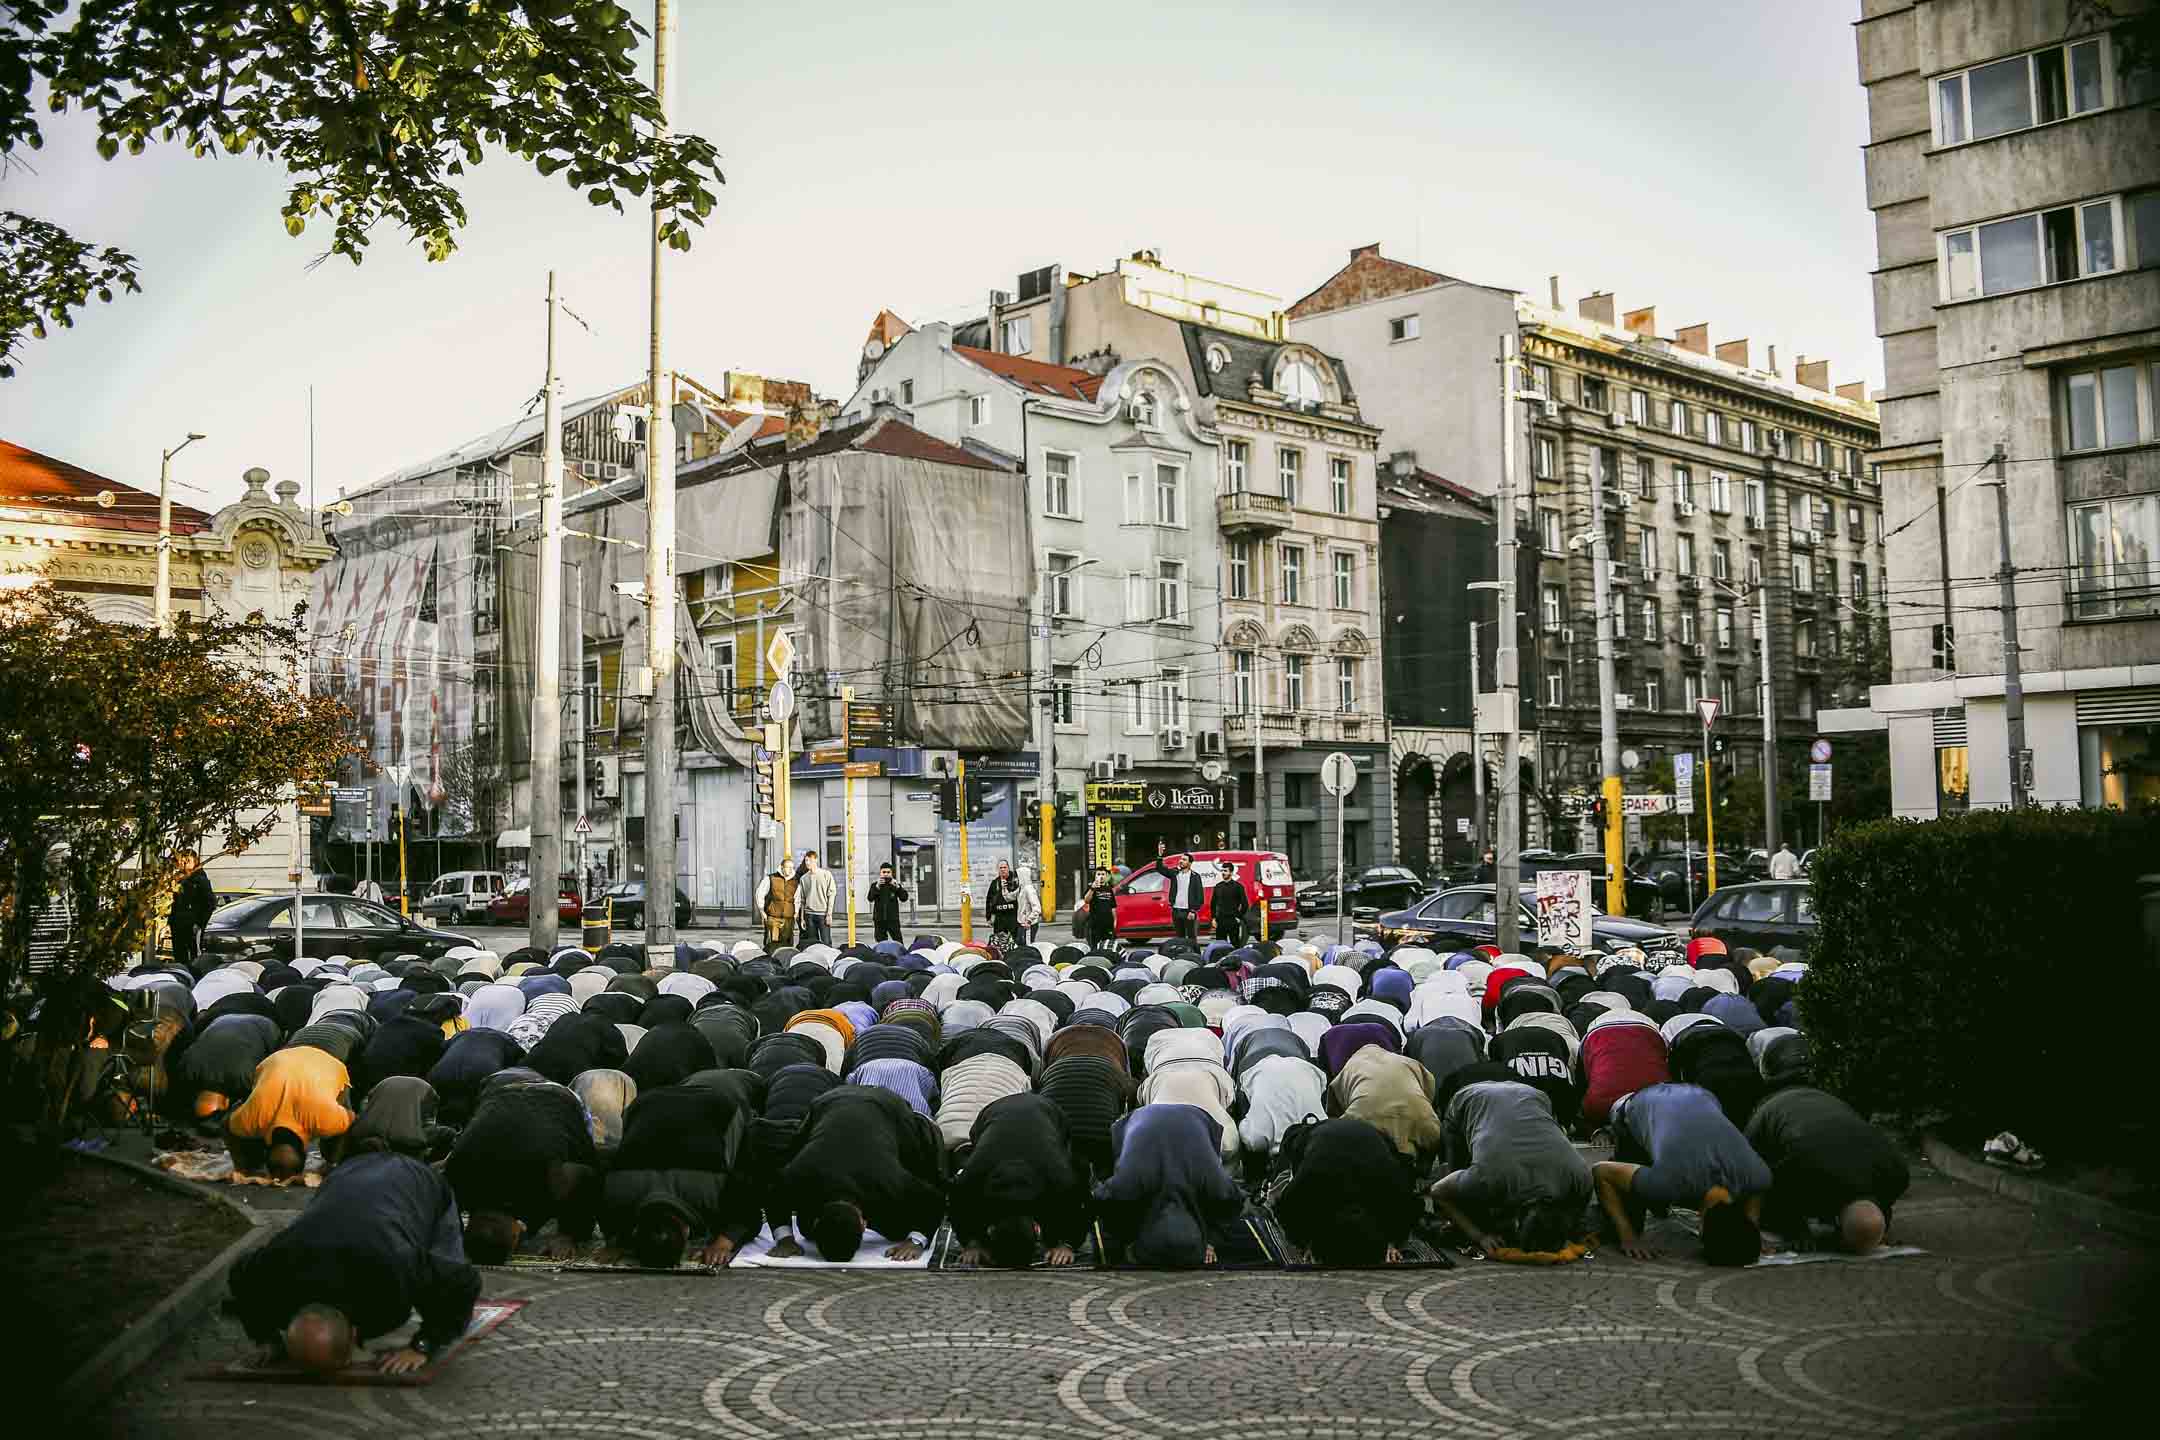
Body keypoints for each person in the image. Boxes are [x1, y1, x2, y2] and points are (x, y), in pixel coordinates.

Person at [225, 1149, 479, 1376]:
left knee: (444, 1272)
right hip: (349, 1174)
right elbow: (239, 1274)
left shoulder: (394, 1270)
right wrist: (266, 1339)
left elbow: (464, 1283)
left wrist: (424, 1346)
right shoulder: (276, 1268)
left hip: (422, 1184)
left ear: (355, 1334)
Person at [1594, 1082, 1772, 1266]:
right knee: (1631, 1217)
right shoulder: (1670, 1182)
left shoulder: (1757, 1175)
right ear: (1700, 1228)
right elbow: (1600, 1171)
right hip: (1631, 1105)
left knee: (1656, 1188)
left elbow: (1757, 1192)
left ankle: (1651, 1189)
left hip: (1698, 1092)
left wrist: (1752, 1233)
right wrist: (1627, 1235)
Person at [763, 1084, 947, 1262]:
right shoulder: (802, 1172)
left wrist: (915, 1241)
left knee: (897, 1229)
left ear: (863, 1224)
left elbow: (934, 1198)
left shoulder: (887, 1176)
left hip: (888, 1107)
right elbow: (774, 1190)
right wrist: (785, 1239)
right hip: (830, 1101)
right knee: (806, 1228)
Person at [598, 1074, 765, 1269]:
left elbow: (750, 1211)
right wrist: (614, 1242)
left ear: (686, 1231)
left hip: (720, 1106)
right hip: (647, 1103)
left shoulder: (711, 1192)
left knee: (746, 1163)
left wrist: (723, 1242)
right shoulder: (616, 1195)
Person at [443, 1077, 601, 1263]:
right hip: (500, 1088)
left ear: (516, 1236)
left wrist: (569, 1234)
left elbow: (589, 1176)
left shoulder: (549, 1179)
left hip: (558, 1098)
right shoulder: (455, 1176)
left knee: (583, 1153)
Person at [1428, 1079, 1592, 1257]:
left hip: (1533, 1095)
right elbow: (1438, 1191)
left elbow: (1575, 1218)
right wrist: (1478, 1235)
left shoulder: (1580, 1178)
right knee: (1463, 1202)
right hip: (1470, 1098)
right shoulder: (1489, 1177)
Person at [1743, 1085, 1909, 1254]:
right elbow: (1764, 1184)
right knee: (1751, 1182)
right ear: (1839, 1227)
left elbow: (1885, 1207)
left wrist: (1877, 1231)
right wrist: (1794, 1233)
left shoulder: (1896, 1175)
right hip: (1770, 1110)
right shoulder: (1804, 1170)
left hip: (1822, 1101)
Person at [1092, 1103, 1246, 1267]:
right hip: (1186, 1120)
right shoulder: (1132, 1180)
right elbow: (1233, 1200)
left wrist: (1212, 1241)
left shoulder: (1130, 1182)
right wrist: (1212, 1241)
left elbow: (1103, 1199)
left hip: (1191, 1120)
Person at [949, 1093, 1089, 1267]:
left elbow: (1083, 1200)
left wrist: (1067, 1244)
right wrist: (973, 1242)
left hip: (1049, 1113)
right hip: (990, 1115)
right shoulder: (975, 1175)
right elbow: (957, 1202)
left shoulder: (1059, 1176)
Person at [1271, 1116, 1420, 1266]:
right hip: (1370, 1139)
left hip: (1370, 1147)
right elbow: (1408, 1204)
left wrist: (1304, 1243)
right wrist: (1393, 1242)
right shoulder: (1313, 1171)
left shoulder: (1311, 1172)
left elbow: (1285, 1209)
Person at [226, 1042, 357, 1179]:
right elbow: (226, 1125)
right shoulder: (252, 1119)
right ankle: (253, 1164)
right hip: (278, 1060)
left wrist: (334, 1160)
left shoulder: (324, 1120)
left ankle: (332, 1162)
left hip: (328, 1063)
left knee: (336, 1137)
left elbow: (352, 1119)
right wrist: (243, 1168)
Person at [169, 850, 218, 970]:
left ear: (195, 862)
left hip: (191, 925)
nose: (184, 864)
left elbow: (209, 903)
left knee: (192, 957)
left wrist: (199, 923)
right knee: (180, 956)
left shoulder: (199, 880)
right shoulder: (181, 879)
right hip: (179, 923)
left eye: (188, 861)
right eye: (183, 861)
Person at [794, 853, 835, 947]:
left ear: (816, 860)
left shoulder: (826, 874)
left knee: (826, 942)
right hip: (809, 915)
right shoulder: (803, 878)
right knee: (812, 944)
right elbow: (802, 900)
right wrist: (802, 918)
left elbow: (831, 895)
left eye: (810, 860)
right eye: (806, 860)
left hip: (823, 914)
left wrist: (829, 914)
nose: (807, 863)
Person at [1167, 856, 1205, 944]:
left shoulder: (1195, 876)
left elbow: (1199, 896)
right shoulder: (1175, 874)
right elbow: (1161, 869)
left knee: (1191, 938)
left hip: (1188, 912)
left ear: (1190, 863)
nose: (1181, 861)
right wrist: (1160, 856)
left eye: (1184, 860)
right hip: (1176, 910)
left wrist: (1193, 910)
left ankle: (1195, 955)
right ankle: (1181, 954)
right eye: (1180, 859)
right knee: (1179, 938)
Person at [867, 863, 909, 944]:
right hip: (879, 920)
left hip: (893, 919)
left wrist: (898, 888)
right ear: (880, 873)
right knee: (881, 943)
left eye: (888, 872)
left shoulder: (895, 885)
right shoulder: (875, 885)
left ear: (891, 873)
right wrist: (877, 887)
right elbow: (870, 898)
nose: (886, 874)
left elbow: (904, 898)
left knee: (898, 941)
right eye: (884, 872)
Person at [1211, 863, 1250, 946]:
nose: (1223, 873)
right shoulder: (1218, 887)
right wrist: (1213, 918)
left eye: (1225, 871)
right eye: (1222, 871)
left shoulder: (1238, 887)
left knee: (1235, 943)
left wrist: (1238, 917)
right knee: (1220, 945)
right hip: (1220, 920)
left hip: (1233, 920)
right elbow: (1213, 903)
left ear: (1231, 873)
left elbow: (1245, 904)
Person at [756, 867, 795, 948]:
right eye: (788, 867)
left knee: (787, 945)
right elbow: (760, 894)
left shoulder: (795, 880)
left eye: (791, 867)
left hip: (788, 918)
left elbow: (798, 898)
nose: (790, 869)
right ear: (782, 867)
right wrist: (762, 911)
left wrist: (796, 913)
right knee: (772, 945)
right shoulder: (770, 878)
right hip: (773, 917)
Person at [1080, 868, 1118, 949]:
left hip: (1108, 923)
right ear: (1095, 876)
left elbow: (1113, 906)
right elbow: (1086, 900)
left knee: (1108, 946)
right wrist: (1092, 889)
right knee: (1094, 946)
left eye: (1103, 874)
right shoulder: (1091, 888)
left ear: (1106, 876)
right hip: (1095, 923)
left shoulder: (1109, 889)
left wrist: (1115, 921)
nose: (1101, 876)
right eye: (1098, 874)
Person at [986, 860, 1021, 942]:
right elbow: (989, 900)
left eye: (1004, 867)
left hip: (1012, 915)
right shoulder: (995, 883)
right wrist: (988, 917)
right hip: (999, 916)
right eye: (1000, 868)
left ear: (1008, 868)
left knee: (1014, 939)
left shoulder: (1015, 881)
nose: (1002, 870)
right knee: (998, 940)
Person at [1016, 865, 1044, 945]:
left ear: (1022, 876)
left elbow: (1037, 908)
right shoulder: (1022, 888)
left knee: (1027, 946)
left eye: (1018, 876)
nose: (1016, 878)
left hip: (1028, 925)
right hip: (1022, 923)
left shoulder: (1029, 889)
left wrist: (1029, 921)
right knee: (1021, 945)